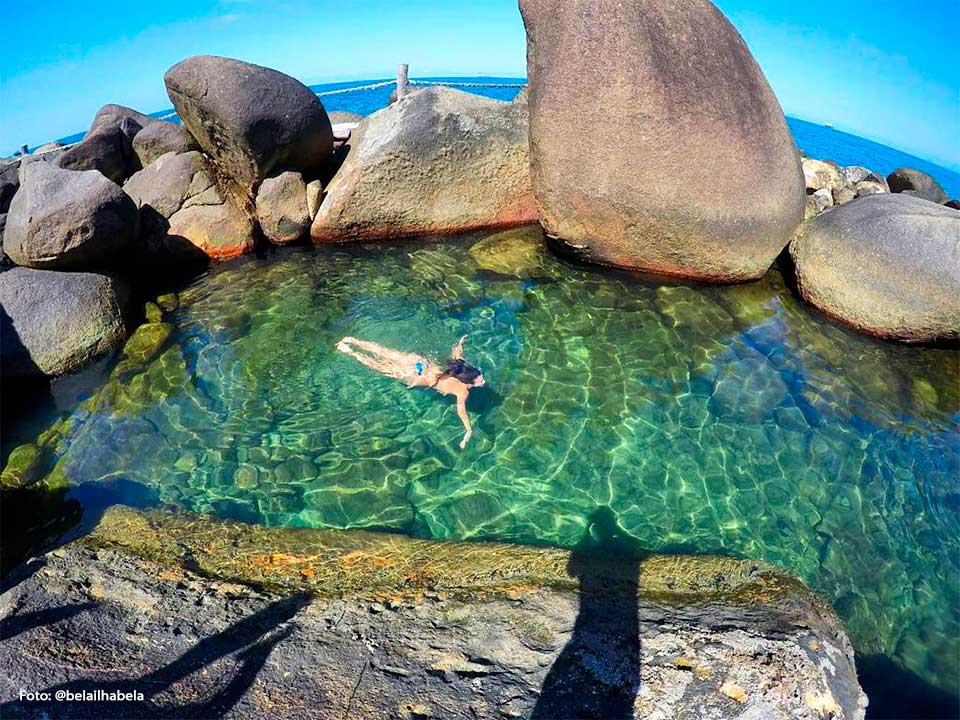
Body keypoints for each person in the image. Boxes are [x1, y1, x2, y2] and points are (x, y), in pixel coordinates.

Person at [336, 335, 485, 450]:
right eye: (479, 380)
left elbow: (457, 354)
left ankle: (353, 340)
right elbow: (461, 411)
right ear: (468, 383)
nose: (483, 381)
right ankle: (350, 352)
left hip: (420, 363)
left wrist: (460, 342)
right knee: (378, 365)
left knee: (385, 352)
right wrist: (468, 430)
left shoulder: (459, 367)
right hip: (415, 377)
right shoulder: (463, 391)